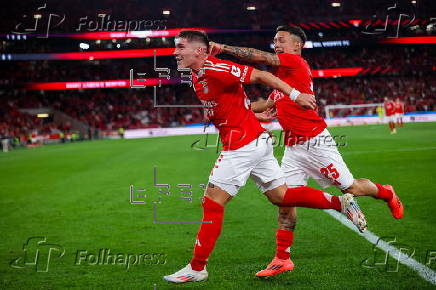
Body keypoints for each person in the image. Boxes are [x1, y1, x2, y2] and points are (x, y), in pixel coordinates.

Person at [163, 30, 366, 284]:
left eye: (181, 47)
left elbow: (261, 74)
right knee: (281, 196)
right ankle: (341, 204)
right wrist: (251, 115)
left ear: (199, 50)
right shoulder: (196, 75)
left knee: (212, 202)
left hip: (242, 144)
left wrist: (295, 95)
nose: (175, 52)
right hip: (255, 139)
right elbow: (235, 101)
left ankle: (197, 267)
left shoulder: (217, 67)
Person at [209, 25, 403, 277]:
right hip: (292, 148)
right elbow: (263, 105)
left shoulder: (295, 64)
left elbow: (262, 58)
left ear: (296, 46)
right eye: (274, 40)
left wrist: (223, 49)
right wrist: (231, 106)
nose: (276, 44)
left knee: (351, 188)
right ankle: (282, 258)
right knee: (285, 202)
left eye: (281, 40)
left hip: (317, 143)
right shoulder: (281, 80)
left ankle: (386, 192)